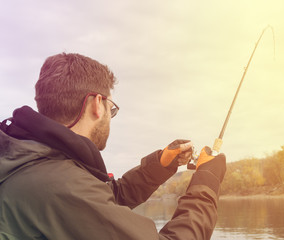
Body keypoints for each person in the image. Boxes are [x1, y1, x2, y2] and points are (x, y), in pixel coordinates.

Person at [0, 53, 226, 240]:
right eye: (112, 108)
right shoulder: (57, 184)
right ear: (98, 104)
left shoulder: (31, 162)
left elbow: (105, 199)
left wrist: (160, 165)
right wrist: (207, 180)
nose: (110, 116)